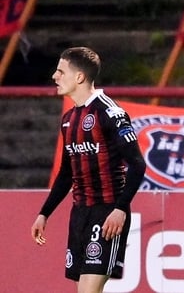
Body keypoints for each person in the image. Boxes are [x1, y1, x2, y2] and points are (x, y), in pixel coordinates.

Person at [30, 47, 146, 293]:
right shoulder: (68, 119)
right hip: (79, 215)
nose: (54, 76)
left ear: (80, 77)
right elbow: (66, 173)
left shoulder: (110, 113)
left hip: (107, 215)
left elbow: (137, 164)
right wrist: (44, 213)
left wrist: (120, 209)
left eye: (61, 71)